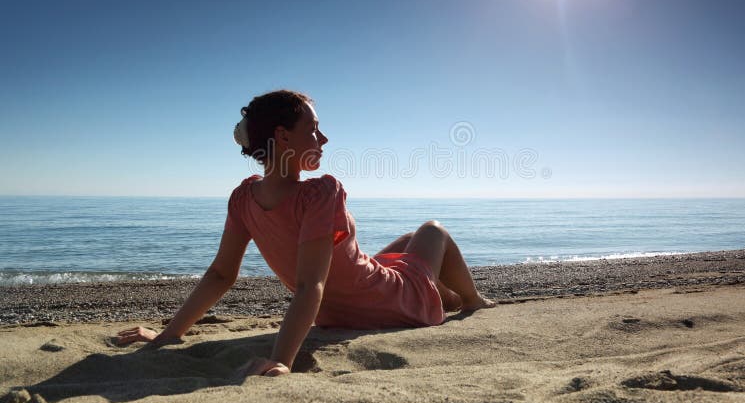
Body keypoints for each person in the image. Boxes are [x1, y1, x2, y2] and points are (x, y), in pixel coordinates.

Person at [117, 90, 495, 377]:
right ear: (283, 136)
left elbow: (221, 275)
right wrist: (281, 362)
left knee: (403, 242)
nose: (324, 139)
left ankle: (442, 295)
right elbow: (309, 284)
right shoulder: (320, 193)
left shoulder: (242, 199)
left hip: (337, 312)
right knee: (431, 230)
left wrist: (168, 336)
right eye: (313, 129)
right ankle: (474, 301)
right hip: (385, 305)